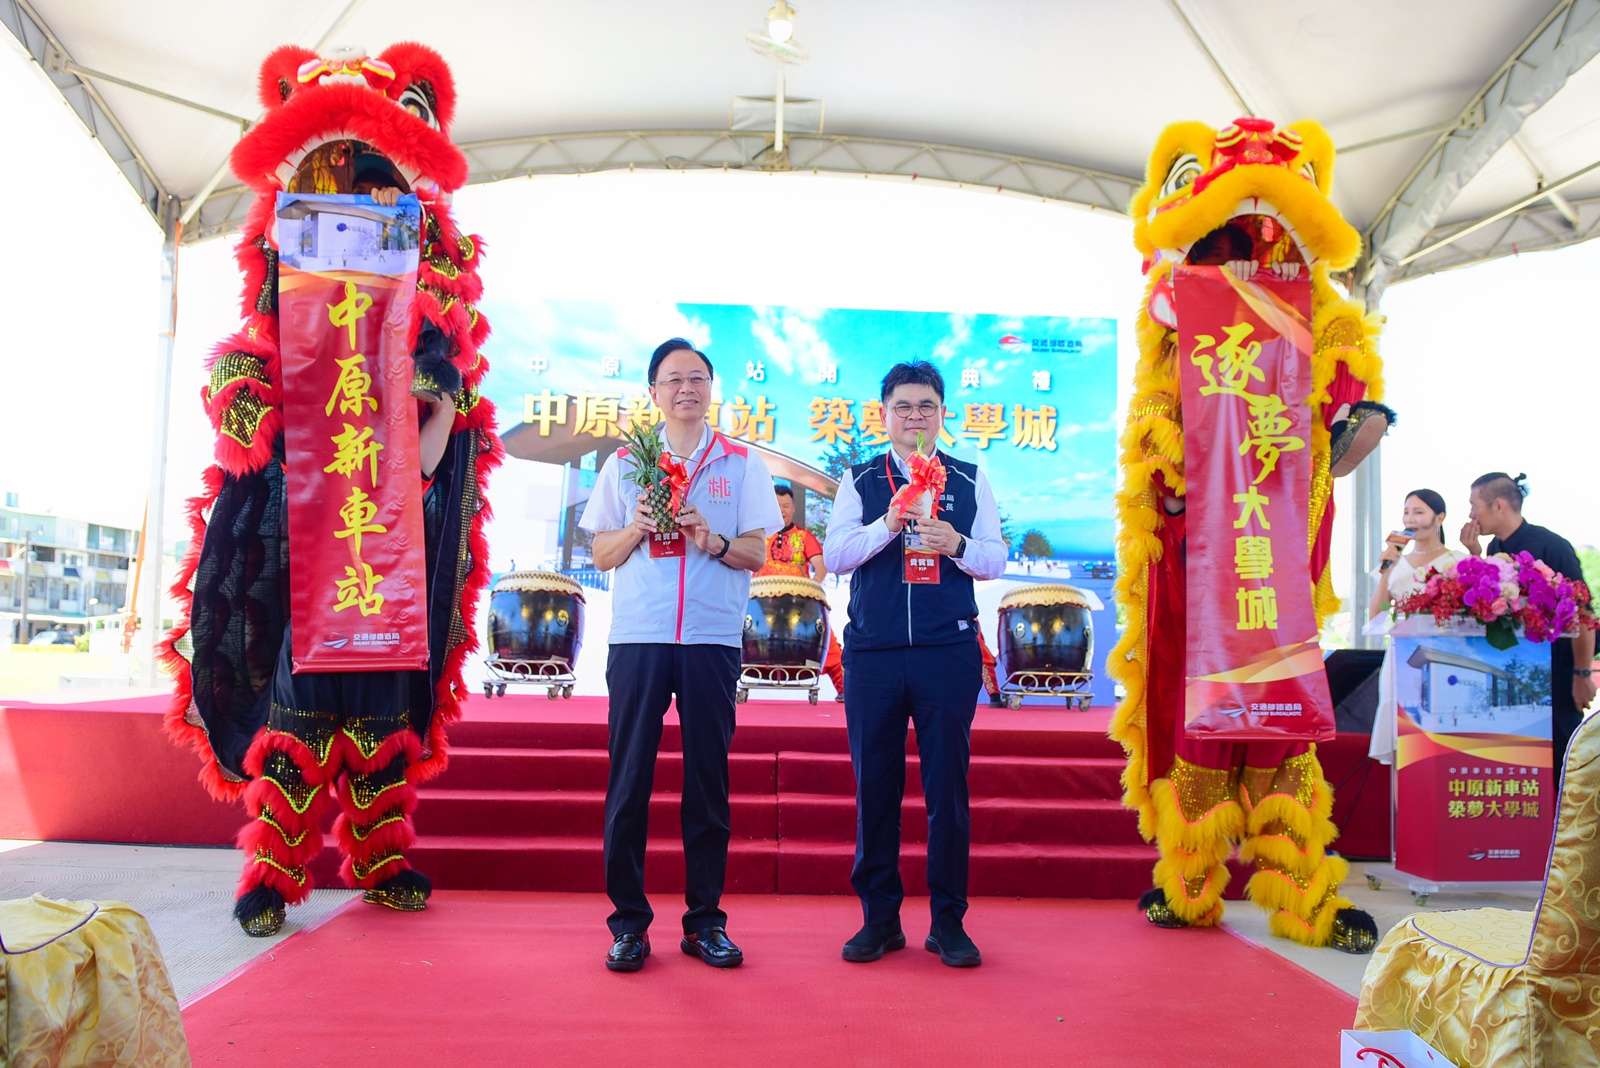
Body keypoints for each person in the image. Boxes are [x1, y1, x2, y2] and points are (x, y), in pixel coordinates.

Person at [162, 43, 500, 938]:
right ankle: (273, 873)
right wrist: (241, 395)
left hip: (388, 529)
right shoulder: (285, 255)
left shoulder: (428, 264)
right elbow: (253, 359)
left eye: (368, 173)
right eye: (331, 171)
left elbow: (448, 393)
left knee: (386, 707)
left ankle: (381, 856)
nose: (350, 189)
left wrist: (441, 402)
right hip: (307, 523)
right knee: (298, 709)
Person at [580, 338, 781, 973]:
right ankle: (629, 925)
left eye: (697, 378)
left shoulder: (741, 465)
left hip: (711, 640)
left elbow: (756, 554)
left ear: (710, 389)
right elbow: (602, 555)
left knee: (707, 785)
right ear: (654, 393)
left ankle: (705, 922)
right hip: (639, 639)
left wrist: (709, 537)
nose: (686, 388)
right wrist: (640, 526)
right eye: (674, 380)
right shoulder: (623, 466)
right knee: (630, 780)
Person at [823, 360, 1006, 968]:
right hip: (873, 655)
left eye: (926, 405)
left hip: (946, 652)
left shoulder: (970, 479)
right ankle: (879, 921)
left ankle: (948, 923)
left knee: (946, 793)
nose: (914, 416)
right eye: (903, 406)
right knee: (875, 789)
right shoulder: (860, 479)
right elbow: (837, 556)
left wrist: (956, 544)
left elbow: (995, 558)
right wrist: (889, 521)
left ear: (942, 412)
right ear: (885, 414)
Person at [1460, 472, 1597, 771]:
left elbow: (1584, 613)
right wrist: (1475, 556)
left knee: (1565, 763)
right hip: (1520, 680)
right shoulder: (1495, 548)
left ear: (1498, 505)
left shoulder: (1552, 546)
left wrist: (1582, 674)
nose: (1470, 514)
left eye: (1474, 505)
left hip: (1559, 675)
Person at [757, 485, 845, 698]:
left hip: (799, 605)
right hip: (761, 605)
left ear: (793, 507)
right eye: (777, 506)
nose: (782, 511)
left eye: (786, 505)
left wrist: (811, 590)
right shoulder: (758, 536)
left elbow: (820, 566)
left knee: (828, 642)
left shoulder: (804, 537)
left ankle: (846, 690)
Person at [1367, 489, 1465, 619]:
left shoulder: (1460, 561)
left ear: (1440, 517)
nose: (1410, 519)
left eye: (1418, 512)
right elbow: (1379, 613)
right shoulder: (1397, 565)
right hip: (1404, 638)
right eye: (1406, 513)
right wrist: (1386, 573)